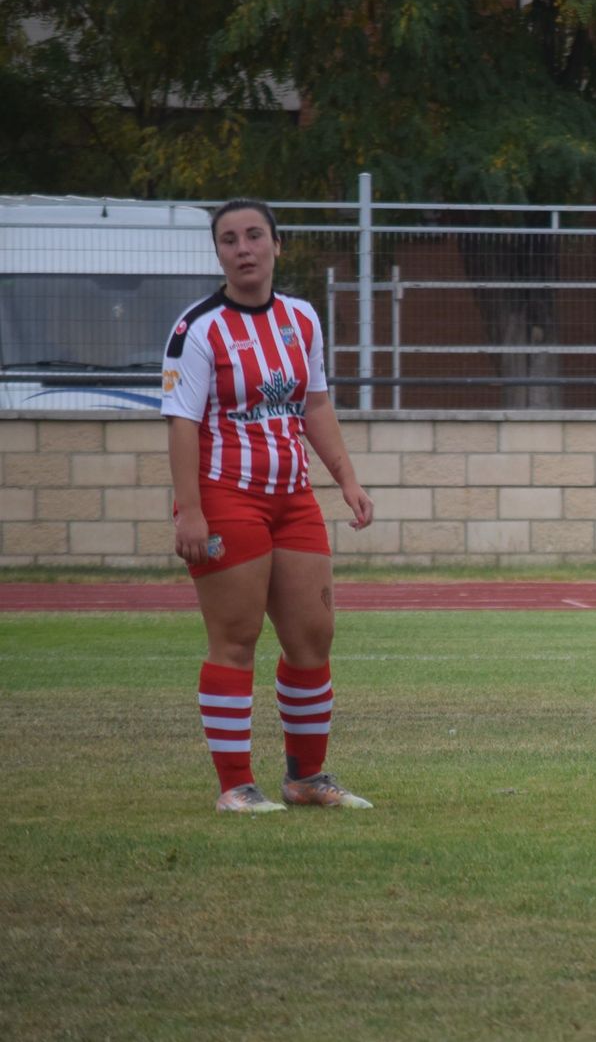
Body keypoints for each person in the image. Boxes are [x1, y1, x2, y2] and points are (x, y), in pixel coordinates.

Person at [162, 198, 375, 814]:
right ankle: (235, 786)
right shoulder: (197, 328)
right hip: (226, 497)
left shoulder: (302, 318)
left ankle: (306, 779)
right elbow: (180, 425)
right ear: (219, 253)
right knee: (236, 638)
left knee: (313, 636)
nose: (244, 248)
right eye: (230, 239)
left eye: (255, 236)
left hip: (293, 498)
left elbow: (314, 406)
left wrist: (347, 481)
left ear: (278, 246)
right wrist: (191, 513)